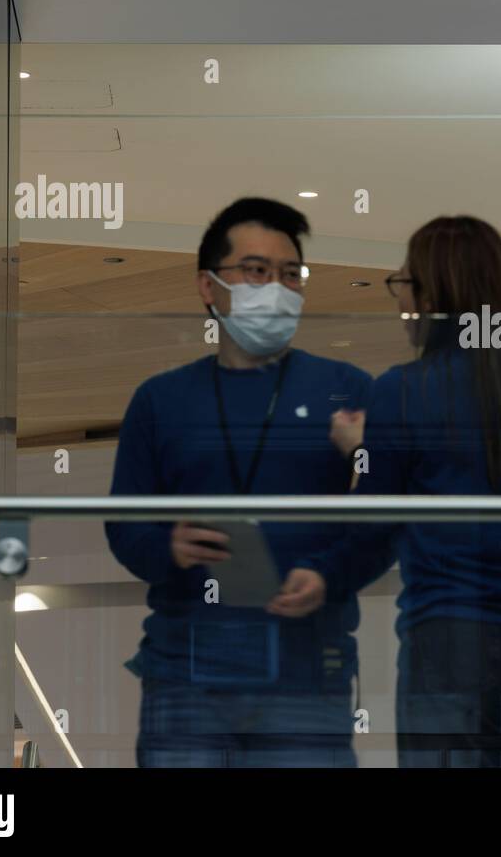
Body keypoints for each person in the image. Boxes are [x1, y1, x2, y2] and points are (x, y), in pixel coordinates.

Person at [318, 215, 501, 767]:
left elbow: (369, 536)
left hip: (448, 647)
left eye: (404, 286)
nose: (400, 303)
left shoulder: (402, 394)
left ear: (433, 292)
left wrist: (360, 453)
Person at [104, 197, 372, 767]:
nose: (274, 288)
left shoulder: (345, 389)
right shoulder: (160, 400)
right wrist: (168, 546)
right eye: (256, 271)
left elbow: (388, 517)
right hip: (187, 672)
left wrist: (330, 572)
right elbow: (125, 525)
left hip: (306, 672)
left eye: (290, 274)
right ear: (208, 286)